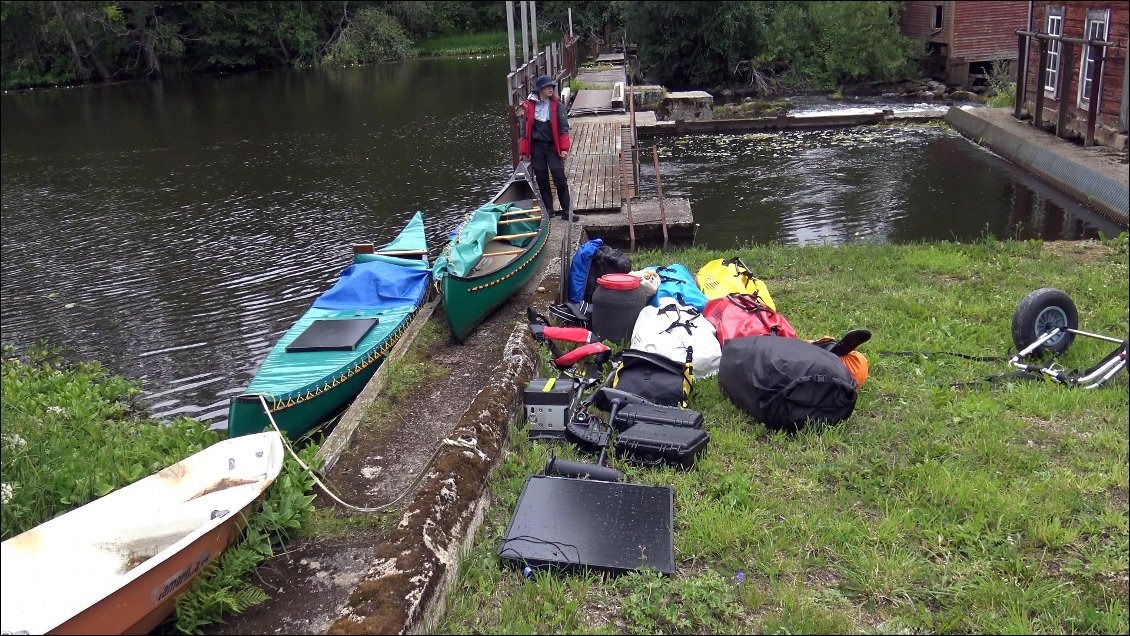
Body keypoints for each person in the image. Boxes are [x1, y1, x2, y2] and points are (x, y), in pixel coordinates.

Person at [519, 75, 573, 219]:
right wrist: (525, 150)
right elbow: (524, 129)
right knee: (542, 178)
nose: (551, 89)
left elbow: (563, 128)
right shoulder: (530, 106)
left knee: (559, 177)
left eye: (552, 87)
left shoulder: (557, 105)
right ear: (540, 89)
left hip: (552, 146)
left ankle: (567, 211)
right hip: (537, 147)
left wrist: (564, 148)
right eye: (547, 87)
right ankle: (549, 210)